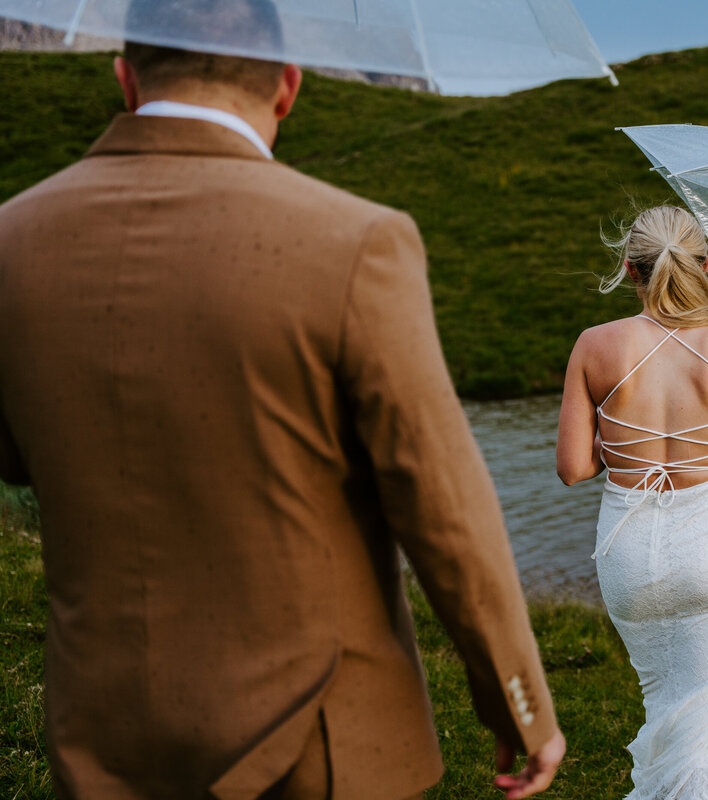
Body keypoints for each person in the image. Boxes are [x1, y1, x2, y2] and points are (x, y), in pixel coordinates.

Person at [0, 1, 564, 797]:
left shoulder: (10, 241)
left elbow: (18, 457)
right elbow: (444, 511)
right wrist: (519, 704)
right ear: (288, 88)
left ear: (125, 79)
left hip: (103, 743)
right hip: (318, 746)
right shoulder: (359, 240)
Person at [556, 206, 708, 797]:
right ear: (706, 267)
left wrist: (612, 436)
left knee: (665, 708)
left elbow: (573, 469)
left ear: (630, 269)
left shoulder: (594, 346)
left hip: (630, 556)